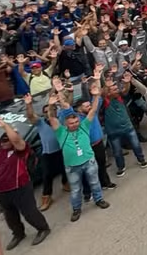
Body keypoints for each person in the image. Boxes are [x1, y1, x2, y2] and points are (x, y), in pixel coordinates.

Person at [0, 114, 51, 248]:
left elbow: (16, 139)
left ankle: (43, 228)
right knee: (10, 215)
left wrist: (4, 125)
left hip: (20, 187)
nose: (3, 143)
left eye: (6, 140)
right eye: (2, 141)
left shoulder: (21, 149)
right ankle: (18, 234)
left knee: (29, 212)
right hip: (2, 189)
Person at [49, 76, 110, 223]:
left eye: (76, 121)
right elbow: (52, 119)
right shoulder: (61, 132)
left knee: (94, 182)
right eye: (72, 123)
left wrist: (96, 96)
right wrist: (51, 106)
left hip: (89, 161)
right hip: (72, 167)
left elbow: (93, 110)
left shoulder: (84, 127)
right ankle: (76, 209)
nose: (75, 124)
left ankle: (99, 199)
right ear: (66, 124)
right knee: (76, 189)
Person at [23, 93, 69, 212]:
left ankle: (66, 183)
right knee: (47, 175)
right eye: (46, 111)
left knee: (65, 168)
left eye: (51, 109)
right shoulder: (40, 122)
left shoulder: (60, 119)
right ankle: (47, 197)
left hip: (62, 149)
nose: (48, 112)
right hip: (48, 154)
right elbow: (30, 116)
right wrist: (28, 104)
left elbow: (68, 104)